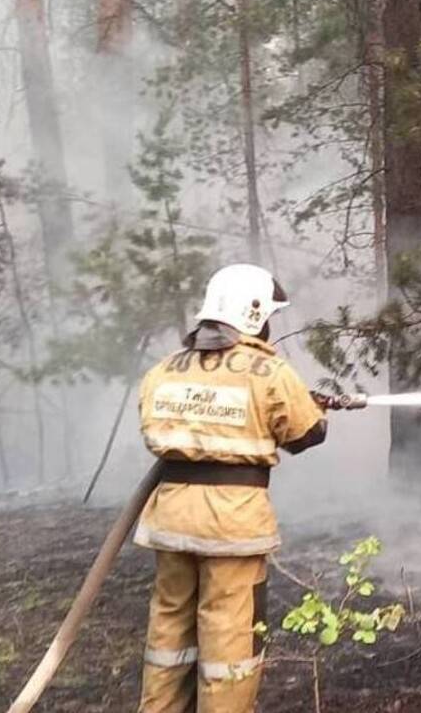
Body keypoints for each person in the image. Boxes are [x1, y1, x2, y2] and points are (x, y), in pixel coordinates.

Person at [135, 263, 328, 712]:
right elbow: (306, 435)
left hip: (171, 519)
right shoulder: (269, 371)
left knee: (169, 634)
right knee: (229, 645)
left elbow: (160, 428)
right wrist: (312, 408)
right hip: (233, 525)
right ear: (253, 313)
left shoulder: (164, 370)